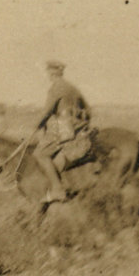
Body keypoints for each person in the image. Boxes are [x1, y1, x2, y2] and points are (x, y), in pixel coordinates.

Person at [32, 59, 93, 203]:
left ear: (52, 73)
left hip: (63, 127)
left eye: (48, 72)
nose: (47, 75)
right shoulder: (73, 88)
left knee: (39, 154)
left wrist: (36, 126)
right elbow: (88, 110)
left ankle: (57, 190)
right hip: (78, 126)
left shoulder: (55, 88)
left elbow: (47, 112)